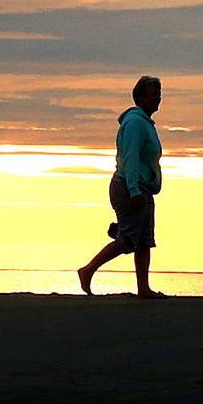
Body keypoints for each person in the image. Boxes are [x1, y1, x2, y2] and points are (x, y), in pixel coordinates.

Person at [77, 74, 164, 298]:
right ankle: (88, 270)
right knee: (128, 239)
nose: (158, 99)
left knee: (145, 240)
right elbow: (130, 157)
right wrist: (134, 190)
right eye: (153, 94)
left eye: (159, 94)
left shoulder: (145, 122)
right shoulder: (135, 122)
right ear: (140, 97)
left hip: (143, 188)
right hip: (129, 186)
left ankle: (143, 288)